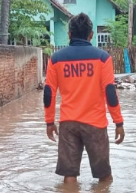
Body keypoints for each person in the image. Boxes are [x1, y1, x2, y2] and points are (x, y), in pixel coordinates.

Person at [44, 13, 125, 183]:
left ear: (69, 34)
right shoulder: (103, 58)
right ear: (91, 35)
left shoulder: (56, 59)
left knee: (70, 176)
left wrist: (49, 122)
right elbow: (110, 92)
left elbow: (49, 93)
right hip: (95, 123)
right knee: (104, 176)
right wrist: (119, 123)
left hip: (68, 123)